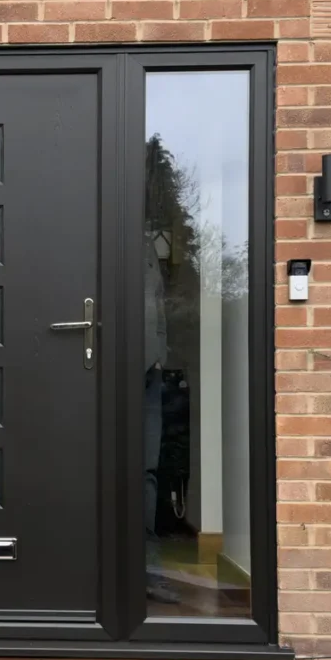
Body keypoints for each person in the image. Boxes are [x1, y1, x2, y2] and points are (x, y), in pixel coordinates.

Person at [144, 233, 178, 604]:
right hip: (102, 365)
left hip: (147, 375)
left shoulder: (146, 246)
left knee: (146, 472)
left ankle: (148, 572)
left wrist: (159, 355)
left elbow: (157, 303)